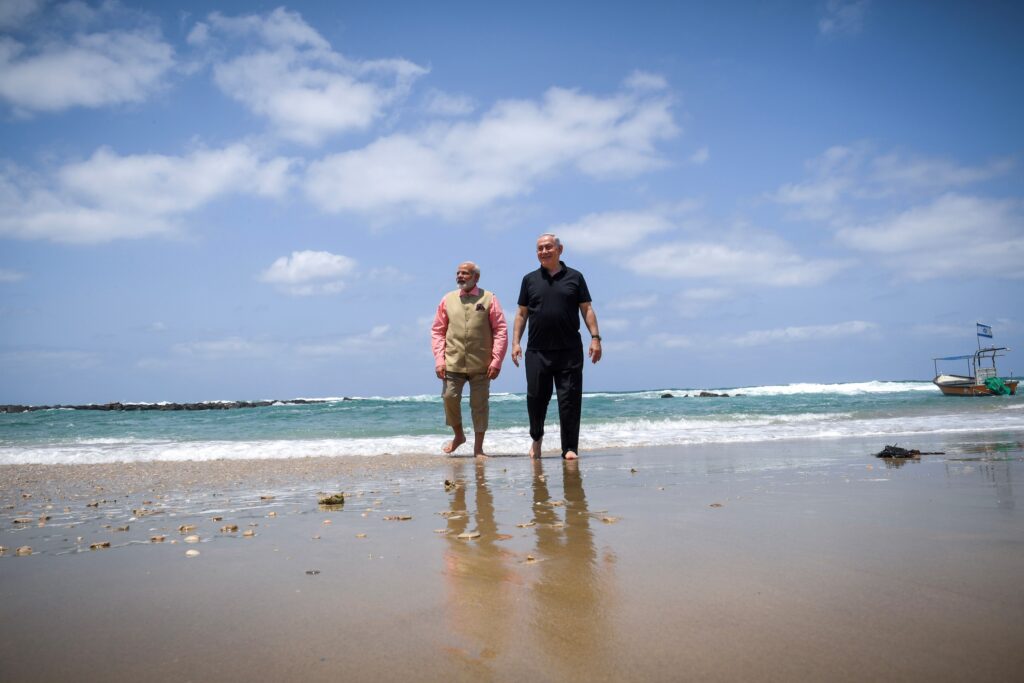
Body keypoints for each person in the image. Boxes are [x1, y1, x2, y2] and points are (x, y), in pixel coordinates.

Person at [511, 234, 602, 460]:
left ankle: (570, 448)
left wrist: (595, 338)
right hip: (537, 351)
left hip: (569, 350)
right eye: (540, 248)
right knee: (535, 398)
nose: (543, 251)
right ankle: (537, 439)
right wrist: (515, 343)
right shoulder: (529, 280)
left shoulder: (575, 277)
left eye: (548, 247)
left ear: (560, 249)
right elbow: (521, 314)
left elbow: (587, 309)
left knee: (569, 400)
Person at [431, 261, 508, 457]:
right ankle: (459, 436)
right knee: (449, 397)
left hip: (482, 364)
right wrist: (440, 360)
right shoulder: (447, 299)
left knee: (479, 404)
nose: (460, 276)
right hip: (452, 362)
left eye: (465, 273)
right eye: (458, 273)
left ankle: (478, 449)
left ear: (476, 277)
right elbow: (438, 331)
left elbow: (500, 330)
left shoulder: (489, 298)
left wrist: (496, 361)